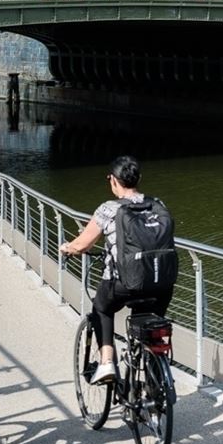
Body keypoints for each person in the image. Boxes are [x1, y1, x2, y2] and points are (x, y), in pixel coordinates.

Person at [62, 155, 174, 385]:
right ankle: (155, 384)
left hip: (123, 283)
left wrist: (67, 248)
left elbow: (83, 244)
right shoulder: (158, 205)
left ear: (113, 181)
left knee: (101, 308)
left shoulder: (109, 209)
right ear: (138, 178)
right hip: (161, 283)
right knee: (149, 326)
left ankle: (106, 363)